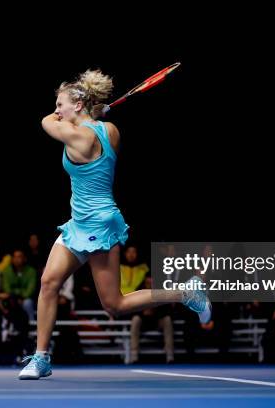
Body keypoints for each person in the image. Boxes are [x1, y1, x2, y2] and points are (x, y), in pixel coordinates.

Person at [19, 69, 211, 380]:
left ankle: (185, 293)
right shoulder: (110, 130)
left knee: (115, 305)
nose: (56, 110)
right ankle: (41, 358)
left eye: (60, 104)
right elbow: (75, 120)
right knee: (49, 283)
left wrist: (80, 114)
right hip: (79, 221)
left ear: (78, 105)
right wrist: (95, 113)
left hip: (99, 223)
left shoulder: (76, 136)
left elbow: (45, 122)